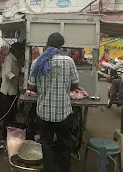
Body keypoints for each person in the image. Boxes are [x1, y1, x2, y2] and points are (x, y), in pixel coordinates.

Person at [28, 33, 79, 172]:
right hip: (63, 112)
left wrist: (44, 85)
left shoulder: (38, 62)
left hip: (44, 112)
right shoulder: (68, 61)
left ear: (47, 44)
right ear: (61, 45)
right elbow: (75, 86)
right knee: (64, 144)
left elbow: (31, 87)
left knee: (47, 145)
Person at [0, 42, 24, 137]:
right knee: (7, 114)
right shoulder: (10, 58)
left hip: (12, 90)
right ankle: (5, 134)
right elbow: (8, 73)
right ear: (16, 51)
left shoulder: (15, 59)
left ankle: (9, 133)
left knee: (11, 114)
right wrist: (20, 79)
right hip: (7, 92)